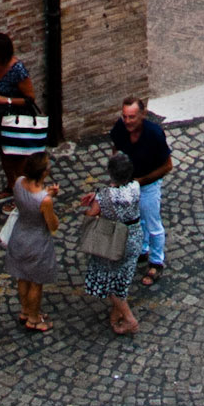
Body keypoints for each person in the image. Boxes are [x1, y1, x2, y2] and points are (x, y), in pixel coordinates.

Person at [109, 96, 173, 285]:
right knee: (137, 220)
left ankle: (156, 262)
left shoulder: (154, 134)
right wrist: (118, 174)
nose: (127, 121)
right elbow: (116, 149)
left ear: (142, 115)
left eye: (132, 117)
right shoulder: (120, 128)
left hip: (148, 184)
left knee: (153, 224)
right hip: (130, 183)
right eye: (125, 117)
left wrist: (142, 181)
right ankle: (142, 251)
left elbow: (167, 166)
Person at [80, 152, 144, 336]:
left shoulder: (104, 196)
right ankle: (116, 314)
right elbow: (118, 195)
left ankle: (129, 318)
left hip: (113, 239)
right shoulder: (135, 187)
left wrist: (90, 207)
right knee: (123, 277)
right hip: (134, 236)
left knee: (108, 280)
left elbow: (92, 213)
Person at [4, 150, 60, 333]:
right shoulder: (44, 200)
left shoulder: (19, 182)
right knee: (36, 282)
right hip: (37, 243)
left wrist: (46, 193)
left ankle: (25, 311)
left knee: (22, 277)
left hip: (19, 236)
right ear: (43, 173)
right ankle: (34, 319)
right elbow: (52, 225)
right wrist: (49, 198)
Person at [0, 31, 38, 190]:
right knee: (3, 152)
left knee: (17, 157)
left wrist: (6, 100)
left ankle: (22, 191)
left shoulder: (17, 70)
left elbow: (30, 99)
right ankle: (11, 186)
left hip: (16, 118)